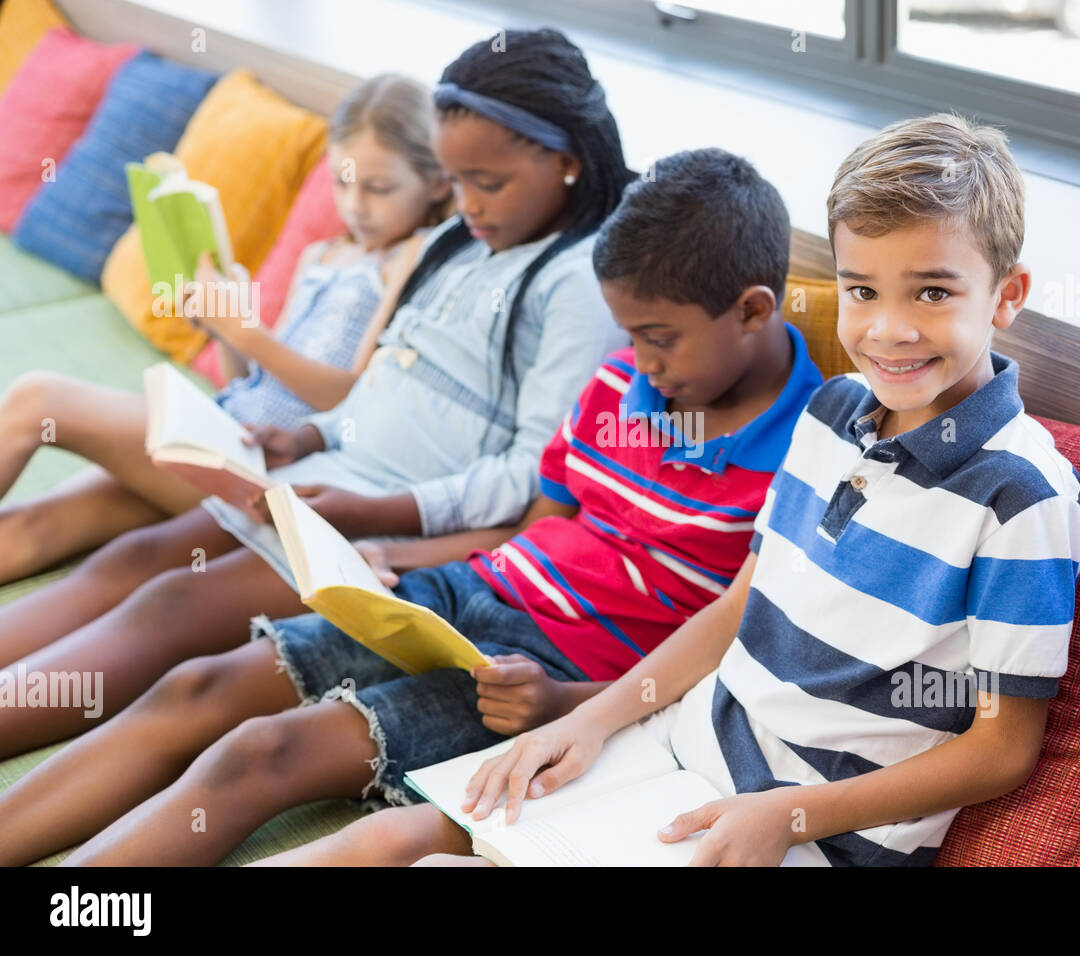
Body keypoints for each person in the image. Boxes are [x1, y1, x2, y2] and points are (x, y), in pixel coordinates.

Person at [0, 148, 824, 867]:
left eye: (659, 337)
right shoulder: (623, 386)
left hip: (554, 674)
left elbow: (730, 656)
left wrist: (564, 708)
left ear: (753, 309)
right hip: (462, 596)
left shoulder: (811, 457)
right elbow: (537, 526)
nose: (639, 361)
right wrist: (404, 562)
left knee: (263, 752)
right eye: (629, 336)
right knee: (197, 688)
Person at [307, 112, 1080, 868]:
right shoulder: (830, 412)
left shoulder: (1022, 498)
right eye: (863, 292)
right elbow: (741, 606)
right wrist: (592, 718)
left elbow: (1002, 748)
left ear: (1007, 294)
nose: (889, 329)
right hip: (680, 748)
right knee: (389, 843)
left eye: (933, 293)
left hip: (807, 831)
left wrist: (785, 815)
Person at [0, 28, 633, 761]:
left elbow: (532, 476)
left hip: (386, 532)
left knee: (168, 613)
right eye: (458, 183)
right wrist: (307, 437)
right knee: (134, 565)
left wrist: (378, 518)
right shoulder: (461, 240)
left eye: (486, 183)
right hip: (322, 484)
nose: (468, 206)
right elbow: (382, 388)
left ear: (567, 161)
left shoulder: (579, 283)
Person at [0, 73, 450, 585]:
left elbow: (351, 397)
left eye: (379, 188)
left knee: (38, 398)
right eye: (343, 182)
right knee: (39, 525)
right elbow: (253, 380)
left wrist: (242, 330)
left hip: (270, 466)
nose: (356, 205)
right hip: (225, 425)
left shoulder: (410, 258)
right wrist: (224, 330)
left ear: (437, 181)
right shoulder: (321, 255)